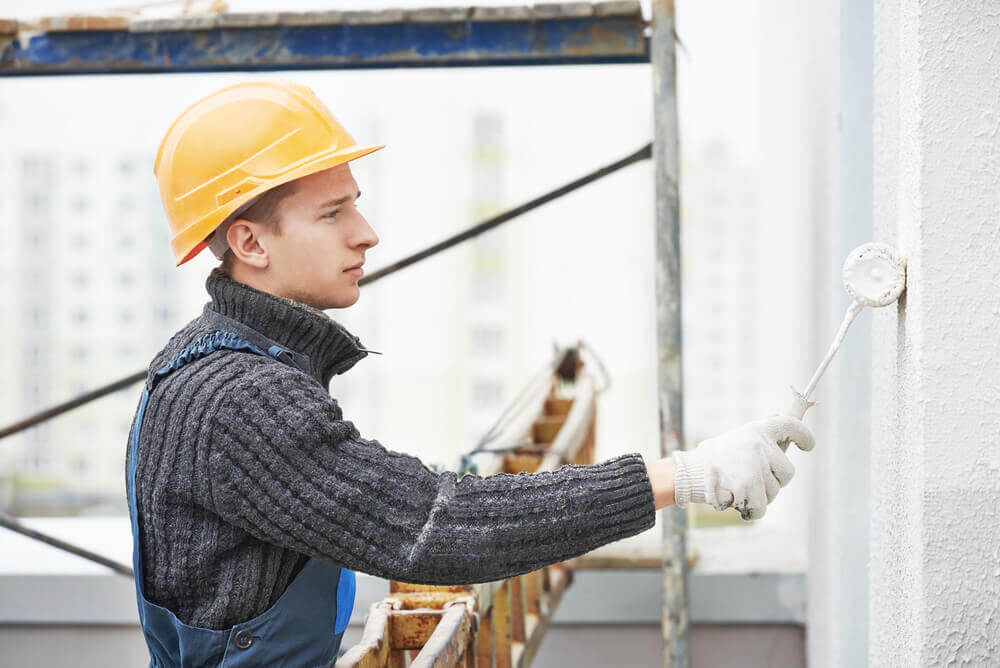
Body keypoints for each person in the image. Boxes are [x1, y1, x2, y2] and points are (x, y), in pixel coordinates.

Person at [126, 80, 815, 666]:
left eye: (355, 204)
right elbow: (433, 528)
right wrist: (683, 476)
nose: (365, 233)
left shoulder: (209, 362)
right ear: (249, 242)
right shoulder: (239, 401)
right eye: (333, 213)